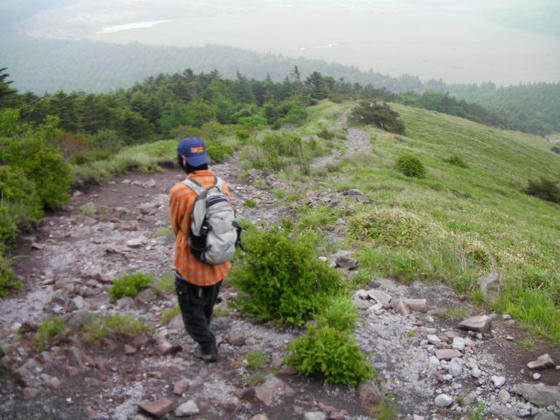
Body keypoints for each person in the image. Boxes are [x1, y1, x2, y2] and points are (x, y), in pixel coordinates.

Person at [169, 136, 232, 363]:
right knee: (207, 301)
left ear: (183, 159)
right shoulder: (221, 184)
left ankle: (207, 346)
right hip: (219, 257)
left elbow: (177, 226)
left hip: (191, 262)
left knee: (189, 308)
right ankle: (205, 329)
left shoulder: (179, 191)